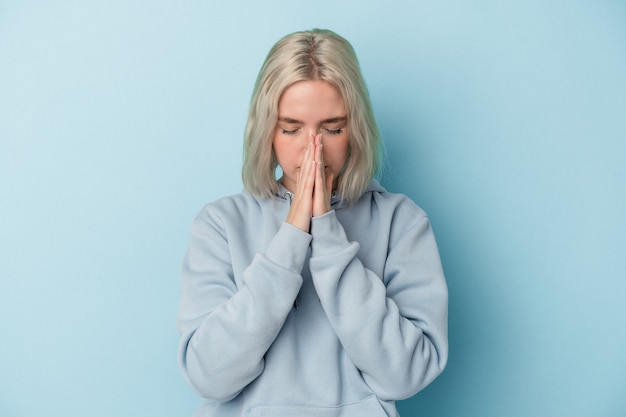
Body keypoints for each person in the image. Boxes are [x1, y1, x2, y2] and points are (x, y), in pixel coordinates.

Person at [177, 28, 448, 417]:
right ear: (266, 131)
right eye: (291, 128)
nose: (312, 148)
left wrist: (329, 236)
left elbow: (406, 375)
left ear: (356, 129)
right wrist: (290, 238)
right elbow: (209, 377)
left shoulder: (401, 223)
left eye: (333, 128)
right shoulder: (220, 224)